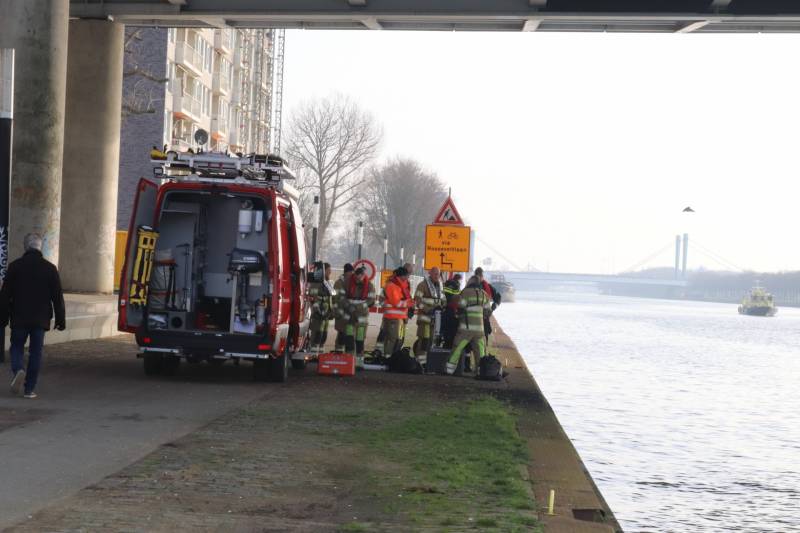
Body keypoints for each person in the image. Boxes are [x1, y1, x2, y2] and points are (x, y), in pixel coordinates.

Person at [0, 233, 66, 398]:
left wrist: (3, 317)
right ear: (39, 247)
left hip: (19, 317)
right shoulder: (50, 269)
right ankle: (29, 389)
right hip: (40, 319)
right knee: (36, 353)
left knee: (16, 347)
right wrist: (60, 319)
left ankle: (18, 369)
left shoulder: (15, 267)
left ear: (25, 247)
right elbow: (57, 297)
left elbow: (5, 295)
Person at [446, 276, 492, 376]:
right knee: (480, 352)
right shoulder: (484, 294)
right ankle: (480, 372)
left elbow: (459, 304)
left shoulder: (465, 292)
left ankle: (449, 370)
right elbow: (488, 311)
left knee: (457, 348)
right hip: (479, 330)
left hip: (465, 328)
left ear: (469, 282)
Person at [341, 266, 376, 368]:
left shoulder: (369, 285)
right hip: (349, 316)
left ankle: (359, 362)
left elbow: (371, 300)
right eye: (356, 278)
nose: (357, 280)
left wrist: (358, 307)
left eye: (360, 278)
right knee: (349, 338)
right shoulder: (347, 282)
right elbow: (341, 297)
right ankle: (348, 361)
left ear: (364, 276)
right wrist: (348, 305)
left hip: (361, 317)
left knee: (360, 339)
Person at [413, 267, 445, 364]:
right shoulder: (422, 285)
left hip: (435, 319)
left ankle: (427, 362)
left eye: (438, 274)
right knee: (424, 340)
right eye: (435, 274)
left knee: (432, 341)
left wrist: (443, 306)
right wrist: (427, 309)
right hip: (424, 318)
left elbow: (443, 299)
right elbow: (417, 300)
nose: (437, 276)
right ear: (430, 273)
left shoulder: (440, 285)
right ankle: (420, 362)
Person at [379, 267, 412, 357]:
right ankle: (387, 357)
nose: (408, 277)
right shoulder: (392, 285)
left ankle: (393, 357)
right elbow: (396, 302)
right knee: (392, 338)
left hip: (400, 318)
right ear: (402, 276)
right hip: (392, 317)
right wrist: (409, 303)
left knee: (398, 339)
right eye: (407, 275)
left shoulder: (402, 284)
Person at [307, 262, 334, 352]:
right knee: (317, 333)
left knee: (324, 334)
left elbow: (331, 296)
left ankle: (320, 352)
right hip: (318, 313)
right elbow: (313, 298)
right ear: (323, 271)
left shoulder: (327, 283)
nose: (330, 272)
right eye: (328, 271)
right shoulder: (316, 282)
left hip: (326, 313)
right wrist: (317, 310)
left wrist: (331, 311)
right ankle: (313, 352)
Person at [332, 263, 354, 351]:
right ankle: (338, 351)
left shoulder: (352, 282)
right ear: (346, 272)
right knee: (341, 333)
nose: (352, 274)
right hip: (340, 313)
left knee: (349, 333)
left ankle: (347, 352)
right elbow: (336, 298)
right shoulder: (338, 283)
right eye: (351, 273)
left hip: (349, 313)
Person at [441, 273, 462, 349]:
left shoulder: (447, 282)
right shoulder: (456, 285)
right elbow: (457, 297)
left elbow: (444, 293)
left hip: (445, 306)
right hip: (452, 307)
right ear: (458, 279)